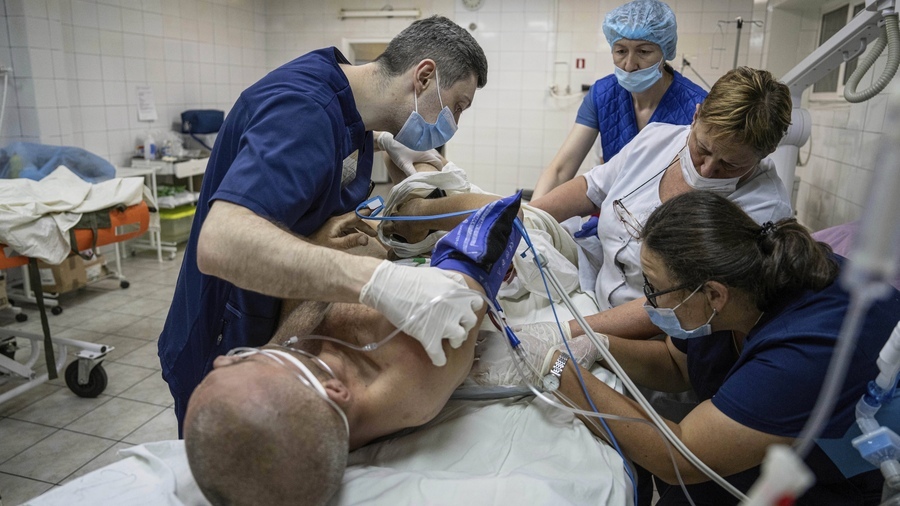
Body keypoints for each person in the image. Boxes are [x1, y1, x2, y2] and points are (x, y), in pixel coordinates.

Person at [159, 16, 490, 433]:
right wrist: (381, 282)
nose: (454, 124)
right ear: (424, 76)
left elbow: (322, 165)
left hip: (273, 312)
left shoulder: (350, 108)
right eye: (456, 106)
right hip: (225, 328)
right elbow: (221, 241)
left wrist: (387, 143)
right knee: (228, 450)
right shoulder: (304, 111)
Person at [183, 194, 601, 506]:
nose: (225, 356)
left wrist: (323, 251)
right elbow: (498, 222)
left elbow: (308, 293)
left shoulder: (299, 382)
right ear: (335, 392)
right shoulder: (413, 372)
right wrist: (417, 214)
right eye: (244, 360)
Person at [537, 191, 900, 505]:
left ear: (713, 295)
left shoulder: (805, 350)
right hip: (773, 442)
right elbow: (674, 364)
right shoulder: (735, 288)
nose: (648, 304)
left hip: (835, 479)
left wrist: (558, 372)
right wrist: (597, 345)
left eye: (654, 289)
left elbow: (684, 456)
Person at [529, 66, 793, 343]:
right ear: (696, 115)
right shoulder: (657, 139)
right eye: (702, 149)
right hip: (592, 302)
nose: (706, 169)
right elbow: (591, 188)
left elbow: (681, 304)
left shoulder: (764, 210)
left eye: (730, 165)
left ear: (765, 153)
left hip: (656, 345)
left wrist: (569, 332)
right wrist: (523, 218)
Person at [531, 0, 707, 199]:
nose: (630, 65)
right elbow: (560, 170)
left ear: (664, 52)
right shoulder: (603, 94)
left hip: (669, 222)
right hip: (612, 218)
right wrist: (531, 219)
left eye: (644, 51)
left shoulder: (699, 106)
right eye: (621, 51)